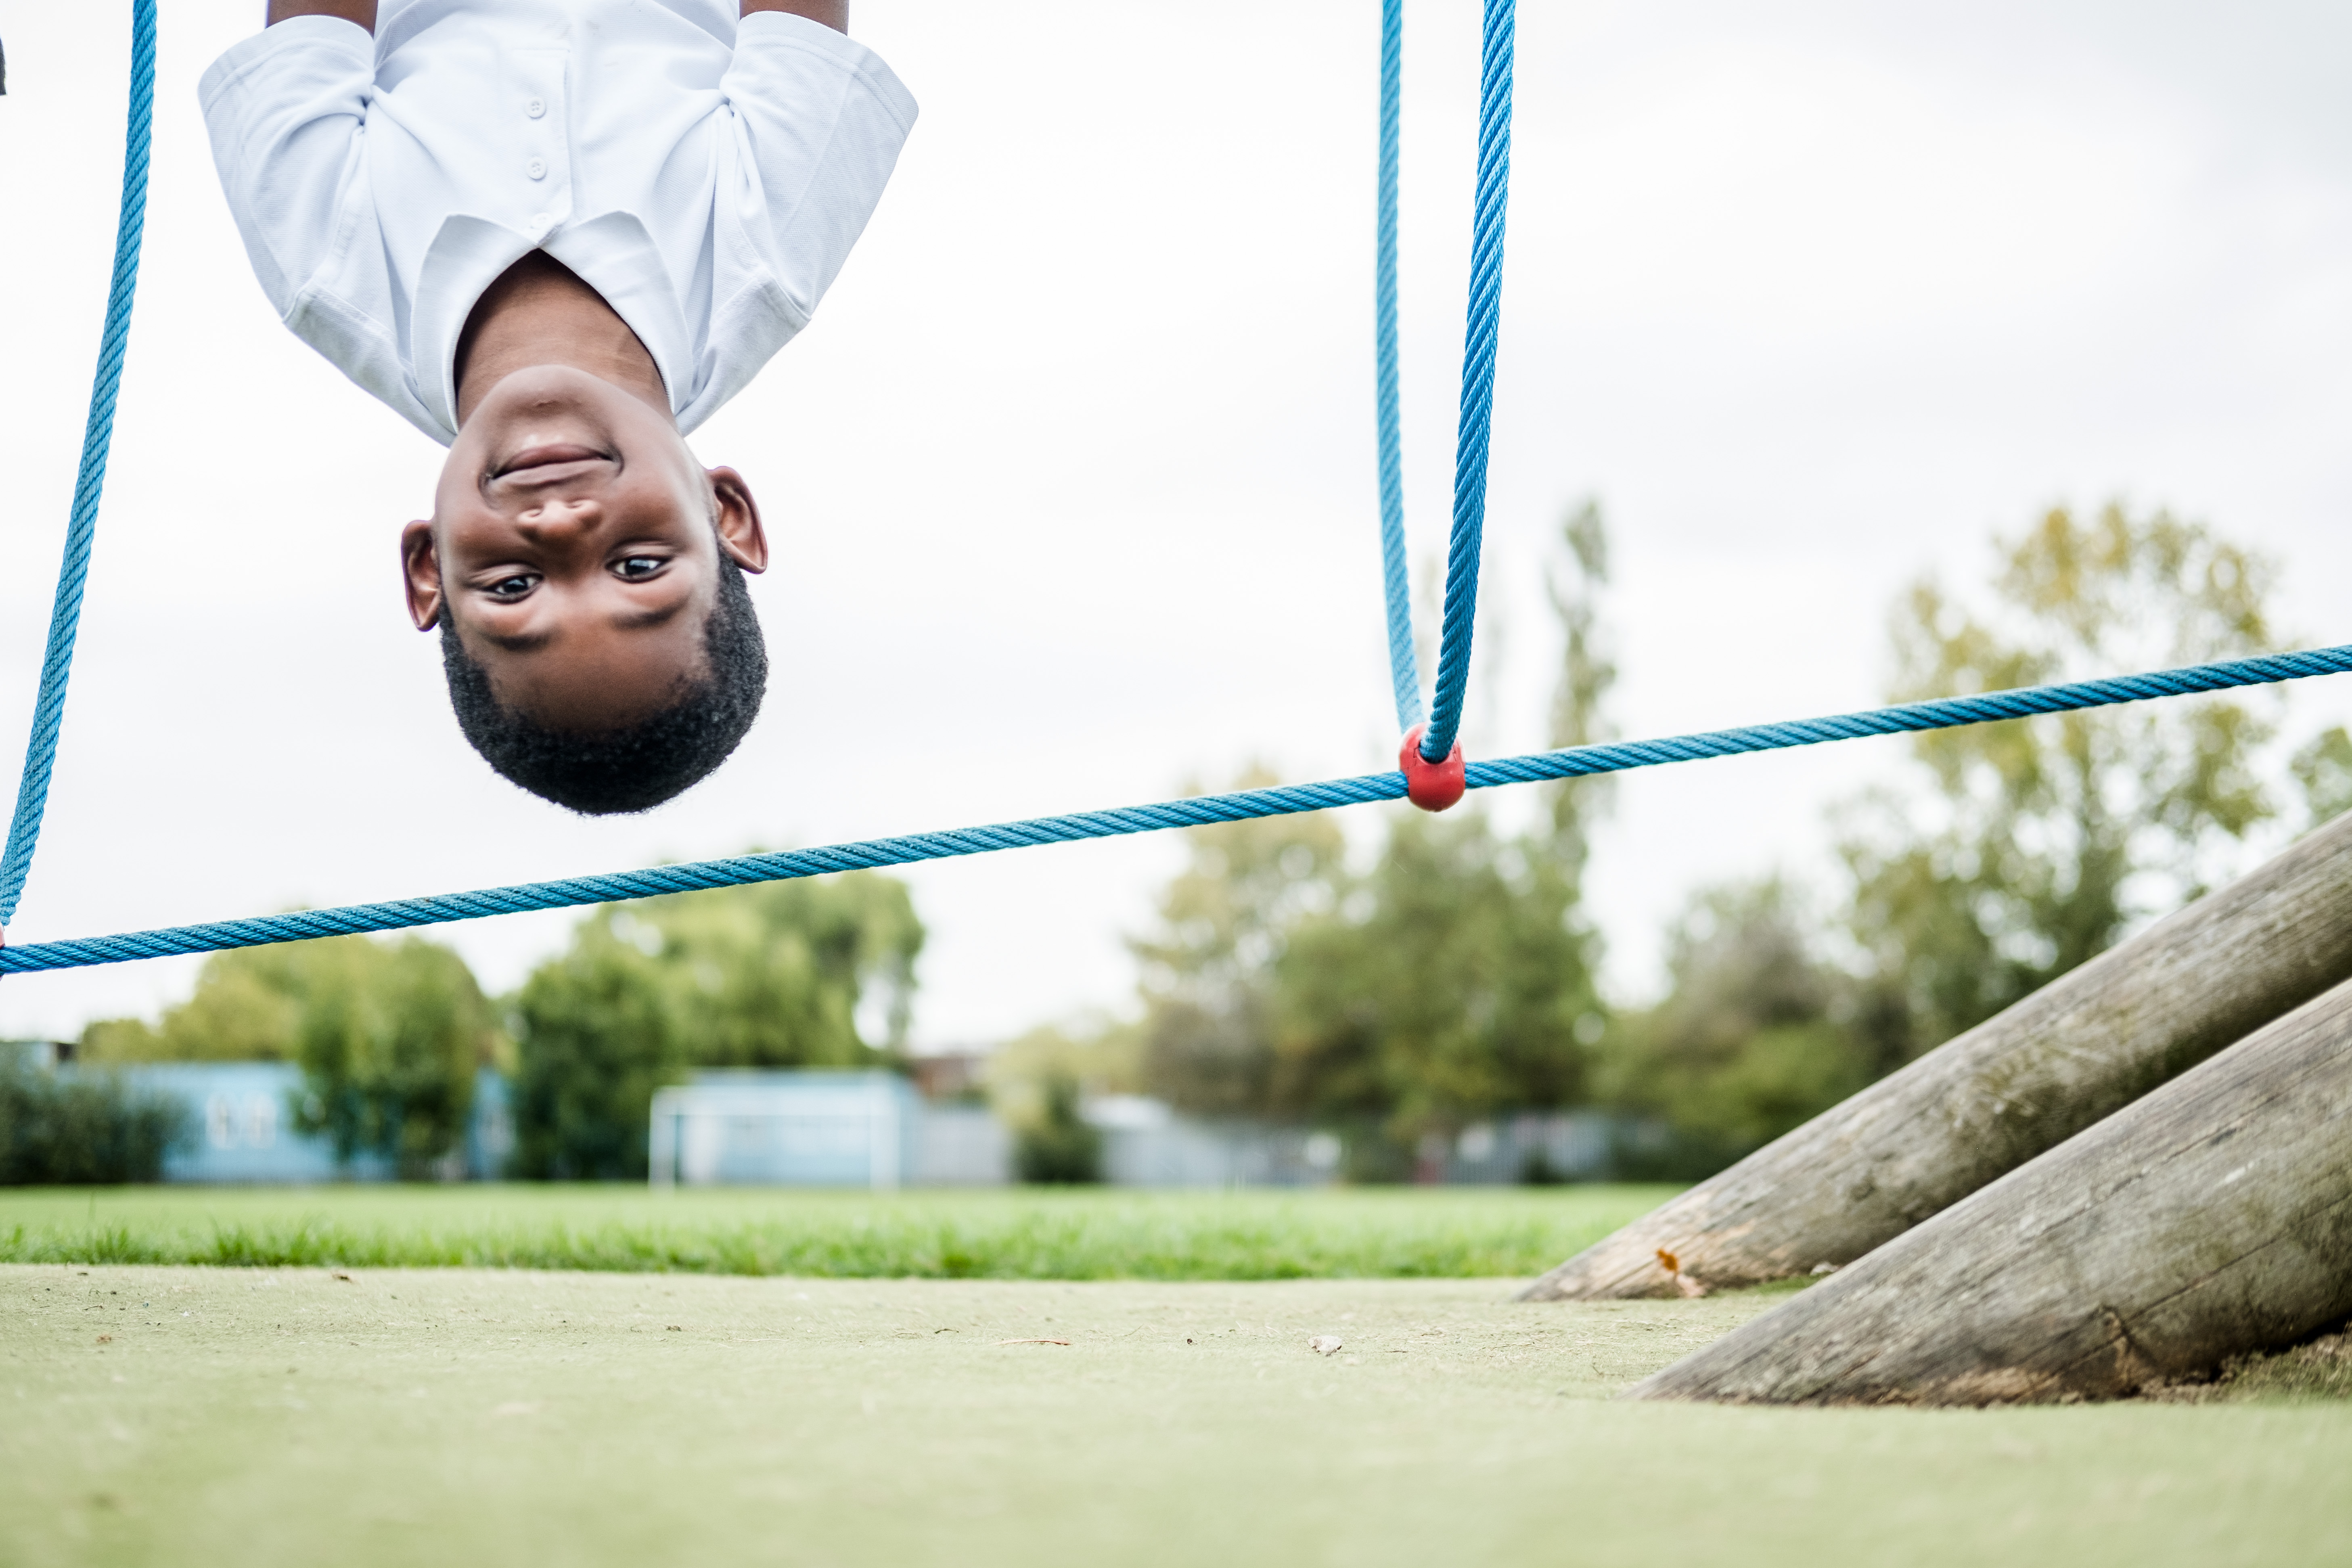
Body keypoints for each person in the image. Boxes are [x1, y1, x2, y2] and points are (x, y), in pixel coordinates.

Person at [200, 0, 915, 812]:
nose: (561, 525)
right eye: (638, 566)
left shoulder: (324, 263)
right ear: (725, 515)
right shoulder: (769, 248)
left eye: (511, 585)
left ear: (430, 567)